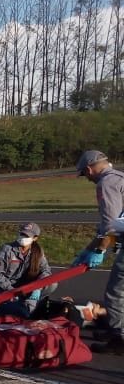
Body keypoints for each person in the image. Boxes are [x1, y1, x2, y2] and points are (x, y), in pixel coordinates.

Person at [75, 150, 124, 355]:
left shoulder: (106, 184)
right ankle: (116, 329)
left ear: (89, 169)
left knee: (116, 292)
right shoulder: (120, 178)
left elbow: (111, 226)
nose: (88, 179)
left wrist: (99, 251)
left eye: (85, 175)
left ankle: (119, 338)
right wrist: (88, 250)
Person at [0, 222, 56, 317]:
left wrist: (37, 287)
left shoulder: (38, 252)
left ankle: (33, 302)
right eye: (22, 234)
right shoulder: (7, 249)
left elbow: (46, 271)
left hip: (24, 288)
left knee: (52, 283)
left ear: (35, 238)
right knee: (16, 311)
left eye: (27, 235)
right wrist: (12, 290)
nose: (23, 237)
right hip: (4, 287)